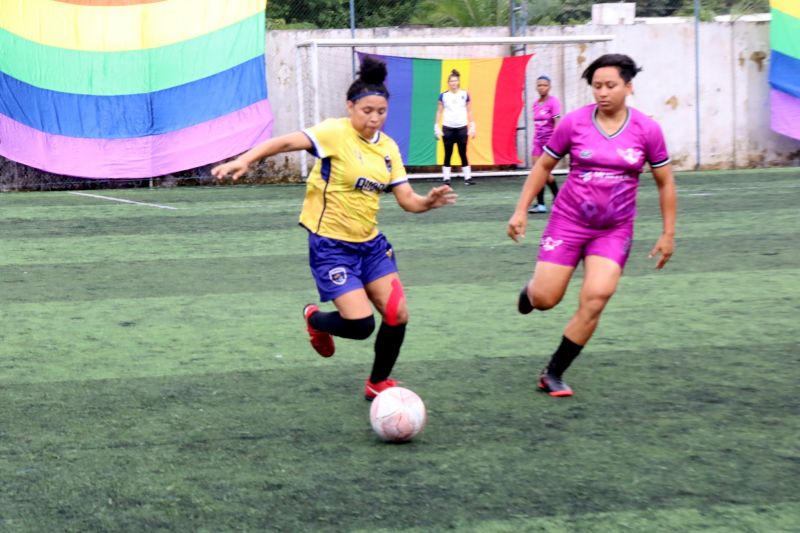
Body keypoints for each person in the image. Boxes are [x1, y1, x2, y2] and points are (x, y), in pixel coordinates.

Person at [212, 57, 457, 400]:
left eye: (381, 111)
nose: (374, 118)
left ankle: (378, 382)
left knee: (397, 313)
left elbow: (406, 200)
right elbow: (284, 143)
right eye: (367, 110)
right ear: (350, 106)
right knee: (360, 326)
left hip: (371, 246)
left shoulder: (388, 149)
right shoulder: (335, 132)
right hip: (331, 246)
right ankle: (315, 319)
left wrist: (428, 201)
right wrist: (245, 160)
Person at [506, 54, 676, 397]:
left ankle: (553, 372)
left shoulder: (648, 130)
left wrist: (668, 233)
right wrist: (521, 209)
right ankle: (532, 291)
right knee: (545, 298)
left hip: (613, 230)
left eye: (610, 85)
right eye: (596, 86)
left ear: (628, 87)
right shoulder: (573, 123)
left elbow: (665, 183)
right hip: (568, 222)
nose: (602, 92)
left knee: (597, 297)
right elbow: (543, 167)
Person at [434, 69, 476, 185]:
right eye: (451, 81)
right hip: (448, 128)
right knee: (448, 153)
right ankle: (446, 179)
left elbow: (470, 110)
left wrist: (472, 125)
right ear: (448, 83)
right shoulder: (443, 96)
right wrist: (436, 127)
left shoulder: (464, 94)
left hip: (462, 127)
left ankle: (468, 178)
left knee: (463, 152)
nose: (453, 83)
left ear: (458, 82)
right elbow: (439, 112)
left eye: (455, 80)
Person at [529, 75, 562, 214]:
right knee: (537, 172)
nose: (542, 87)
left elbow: (558, 124)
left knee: (545, 173)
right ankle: (541, 204)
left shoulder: (554, 102)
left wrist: (555, 142)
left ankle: (558, 199)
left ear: (549, 87)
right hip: (537, 142)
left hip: (549, 142)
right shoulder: (535, 104)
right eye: (539, 85)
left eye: (544, 85)